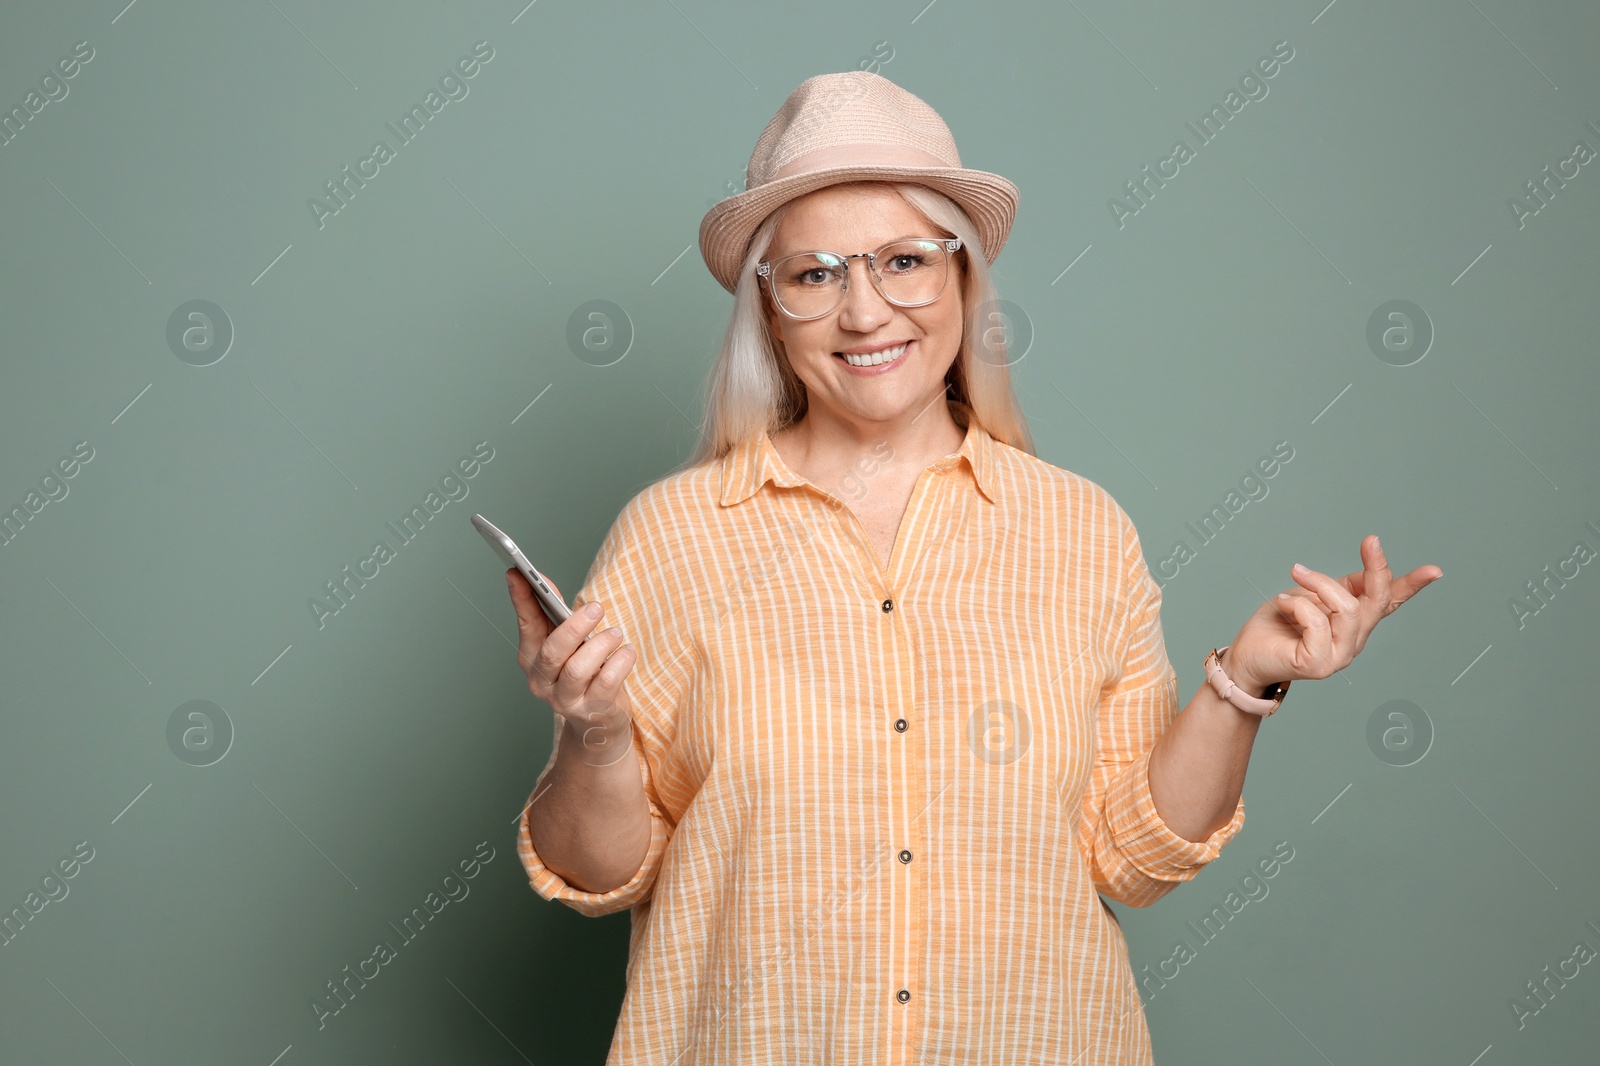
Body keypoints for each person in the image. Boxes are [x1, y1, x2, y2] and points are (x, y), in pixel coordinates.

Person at [507, 71, 1442, 1065]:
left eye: (904, 261)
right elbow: (595, 873)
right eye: (816, 274)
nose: (865, 313)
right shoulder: (671, 536)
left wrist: (1245, 678)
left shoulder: (1081, 531)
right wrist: (595, 736)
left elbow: (1131, 856)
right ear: (771, 309)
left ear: (961, 281)